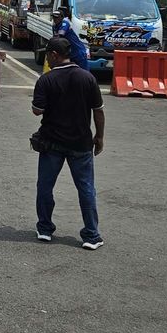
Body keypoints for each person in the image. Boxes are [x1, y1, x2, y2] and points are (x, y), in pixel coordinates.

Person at [31, 35, 106, 250]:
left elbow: (38, 111)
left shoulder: (46, 80)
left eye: (48, 55)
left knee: (45, 186)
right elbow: (98, 111)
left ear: (54, 55)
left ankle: (45, 229)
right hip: (81, 144)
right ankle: (91, 235)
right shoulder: (87, 78)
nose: (47, 59)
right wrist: (99, 137)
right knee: (86, 189)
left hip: (51, 143)